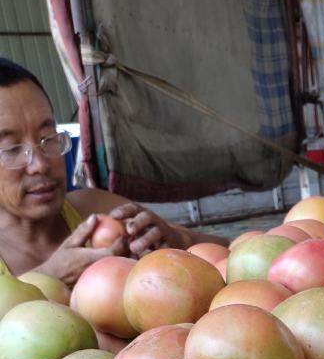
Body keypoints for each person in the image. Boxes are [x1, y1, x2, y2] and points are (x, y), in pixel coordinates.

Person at [0, 59, 226, 285]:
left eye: (47, 138)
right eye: (11, 149)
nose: (40, 164)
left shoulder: (95, 210)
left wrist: (177, 240)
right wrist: (47, 279)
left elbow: (227, 251)